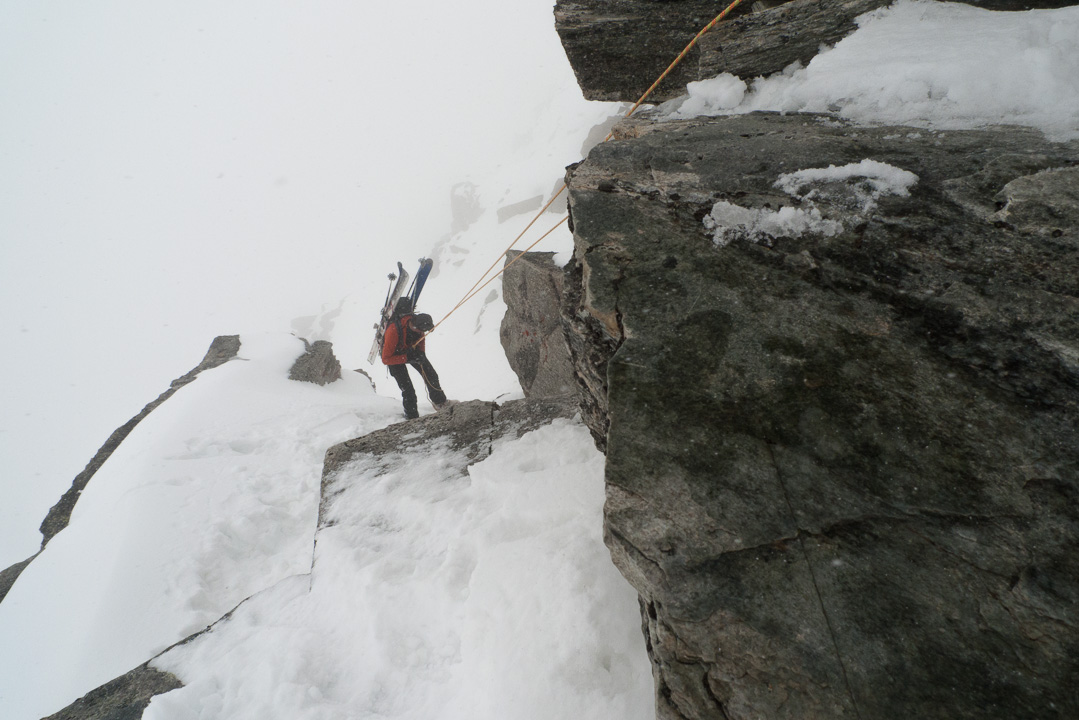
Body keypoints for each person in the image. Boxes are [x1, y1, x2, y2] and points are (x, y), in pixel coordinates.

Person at [381, 298, 448, 419]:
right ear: (416, 325)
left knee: (431, 374)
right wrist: (406, 358)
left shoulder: (419, 328)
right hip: (394, 356)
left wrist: (421, 353)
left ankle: (440, 403)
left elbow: (421, 340)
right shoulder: (394, 330)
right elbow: (386, 359)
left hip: (409, 351)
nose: (423, 332)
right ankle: (411, 418)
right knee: (408, 391)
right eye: (421, 330)